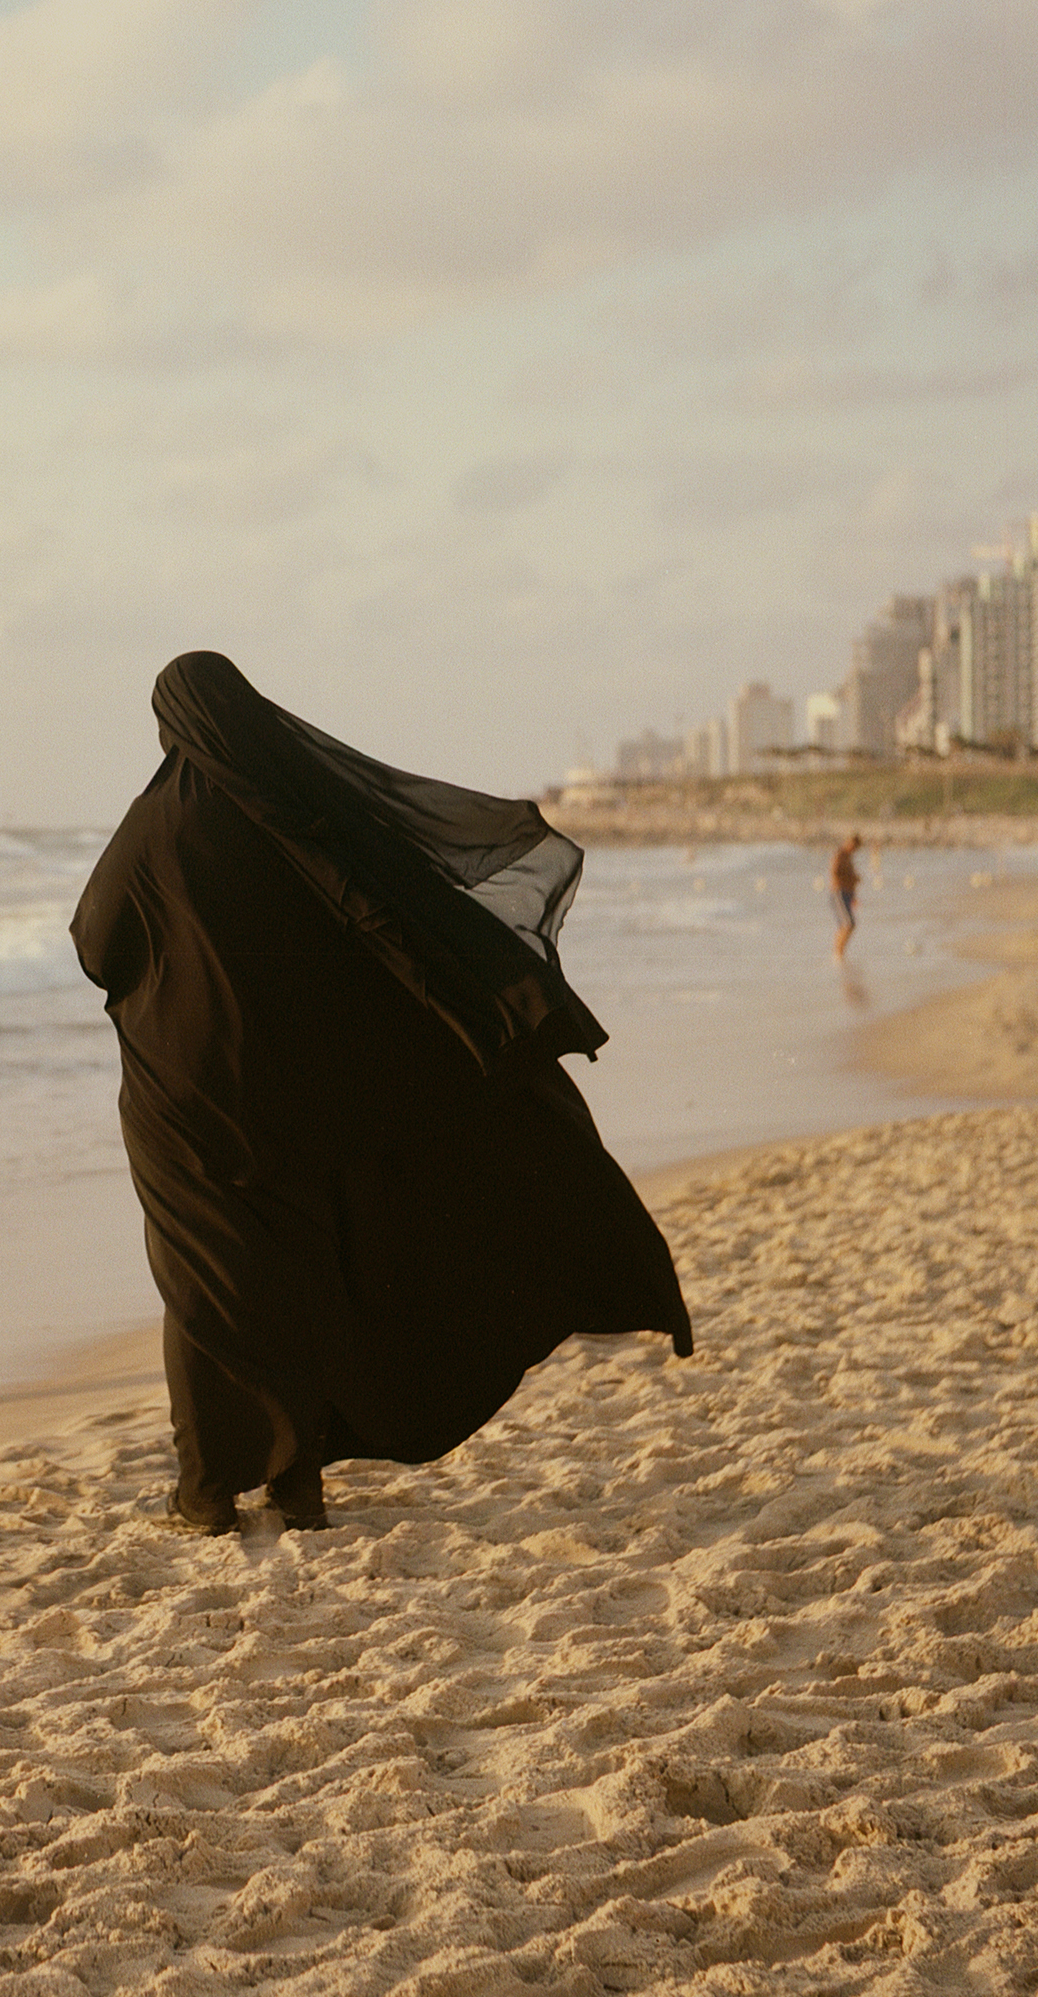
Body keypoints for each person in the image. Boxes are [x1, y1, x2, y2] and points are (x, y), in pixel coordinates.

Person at [71, 651, 692, 1536]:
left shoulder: (149, 831)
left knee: (202, 1282)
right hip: (300, 1098)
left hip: (188, 1102)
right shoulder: (298, 814)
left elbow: (96, 942)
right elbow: (386, 920)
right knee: (301, 1273)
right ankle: (296, 1484)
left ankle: (206, 1492)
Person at [831, 833, 862, 962]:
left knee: (846, 925)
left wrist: (853, 896)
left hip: (847, 893)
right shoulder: (839, 855)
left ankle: (840, 954)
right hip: (839, 893)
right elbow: (834, 874)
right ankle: (838, 954)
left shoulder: (848, 857)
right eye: (853, 846)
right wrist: (852, 878)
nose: (854, 850)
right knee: (848, 924)